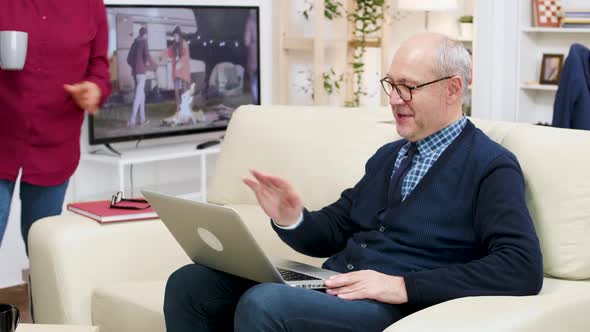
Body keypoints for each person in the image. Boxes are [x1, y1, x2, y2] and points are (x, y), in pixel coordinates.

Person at [163, 33, 543, 331]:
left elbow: (521, 266)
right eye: (391, 85)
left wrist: (402, 287)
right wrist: (292, 217)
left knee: (264, 304)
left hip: (392, 307)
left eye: (408, 87)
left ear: (453, 88)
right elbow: (332, 230)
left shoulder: (491, 165)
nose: (395, 99)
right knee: (191, 284)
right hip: (333, 285)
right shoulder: (389, 157)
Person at [0, 0, 111, 252]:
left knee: (42, 253)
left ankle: (39, 293)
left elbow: (99, 68)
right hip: (2, 133)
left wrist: (94, 89)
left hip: (54, 146)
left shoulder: (91, 5)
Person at [127, 26, 156, 128]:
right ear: (145, 34)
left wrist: (135, 66)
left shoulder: (134, 43)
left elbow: (128, 59)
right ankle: (132, 120)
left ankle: (142, 119)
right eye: (147, 34)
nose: (147, 36)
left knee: (141, 96)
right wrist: (154, 65)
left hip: (135, 72)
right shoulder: (144, 41)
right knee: (138, 96)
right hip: (141, 73)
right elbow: (147, 55)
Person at [160, 26, 191, 112]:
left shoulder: (184, 44)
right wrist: (161, 55)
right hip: (176, 72)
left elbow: (186, 56)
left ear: (180, 36)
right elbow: (168, 51)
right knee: (176, 91)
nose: (175, 37)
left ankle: (185, 108)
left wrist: (180, 63)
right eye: (174, 36)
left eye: (176, 36)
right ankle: (178, 108)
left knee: (184, 90)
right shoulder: (174, 46)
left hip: (183, 71)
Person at [243, 9, 259, 104]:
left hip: (253, 54)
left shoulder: (250, 21)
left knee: (253, 79)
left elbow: (246, 41)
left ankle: (256, 102)